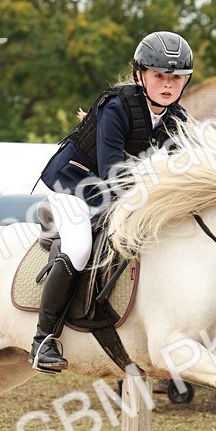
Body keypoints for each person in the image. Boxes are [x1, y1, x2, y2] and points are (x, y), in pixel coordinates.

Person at [29, 30, 194, 372]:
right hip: (73, 184)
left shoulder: (179, 121)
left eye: (176, 78)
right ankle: (43, 338)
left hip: (124, 192)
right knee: (79, 246)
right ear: (140, 75)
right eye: (159, 76)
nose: (167, 85)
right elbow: (113, 175)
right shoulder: (116, 107)